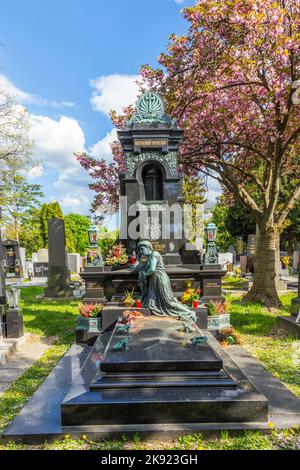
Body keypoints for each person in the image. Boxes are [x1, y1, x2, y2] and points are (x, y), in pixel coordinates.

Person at [133, 240, 196, 322]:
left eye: (142, 249)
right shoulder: (149, 257)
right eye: (139, 250)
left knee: (168, 302)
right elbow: (135, 269)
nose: (141, 251)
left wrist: (144, 275)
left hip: (160, 279)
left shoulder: (154, 254)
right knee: (153, 304)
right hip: (155, 281)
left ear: (148, 248)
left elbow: (152, 269)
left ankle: (190, 313)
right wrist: (138, 258)